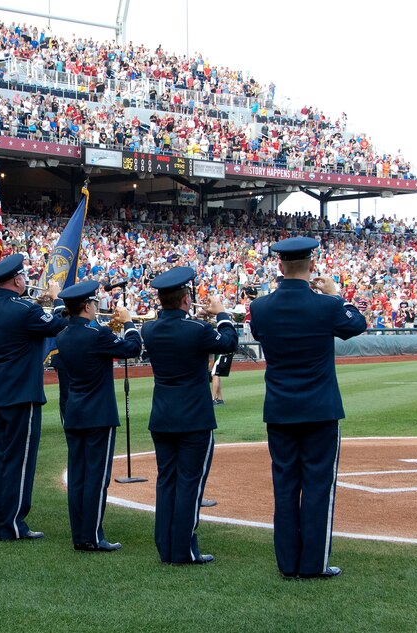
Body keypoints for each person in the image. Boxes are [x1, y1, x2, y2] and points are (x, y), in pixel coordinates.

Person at [249, 237, 366, 579]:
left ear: (279, 265)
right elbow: (356, 324)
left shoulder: (261, 307)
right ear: (311, 266)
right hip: (319, 409)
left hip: (281, 408)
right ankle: (313, 563)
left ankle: (288, 564)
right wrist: (335, 294)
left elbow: (259, 332)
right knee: (318, 486)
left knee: (285, 486)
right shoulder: (325, 306)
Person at [141, 266, 237, 566]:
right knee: (190, 484)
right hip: (194, 417)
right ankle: (184, 549)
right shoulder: (197, 330)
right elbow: (229, 342)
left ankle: (166, 547)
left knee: (166, 481)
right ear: (186, 299)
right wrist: (221, 314)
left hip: (163, 416)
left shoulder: (150, 329)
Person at [0, 254, 65, 541]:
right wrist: (57, 298)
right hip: (21, 395)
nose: (26, 281)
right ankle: (13, 523)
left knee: (1, 459)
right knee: (21, 460)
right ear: (16, 279)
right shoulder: (24, 309)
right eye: (23, 277)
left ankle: (0, 518)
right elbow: (55, 325)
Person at [54, 280, 142, 552]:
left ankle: (80, 534)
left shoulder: (63, 336)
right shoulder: (95, 335)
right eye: (93, 303)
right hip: (99, 414)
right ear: (87, 306)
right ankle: (92, 536)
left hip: (75, 411)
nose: (96, 307)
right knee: (96, 477)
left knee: (79, 476)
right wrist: (128, 323)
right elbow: (133, 348)